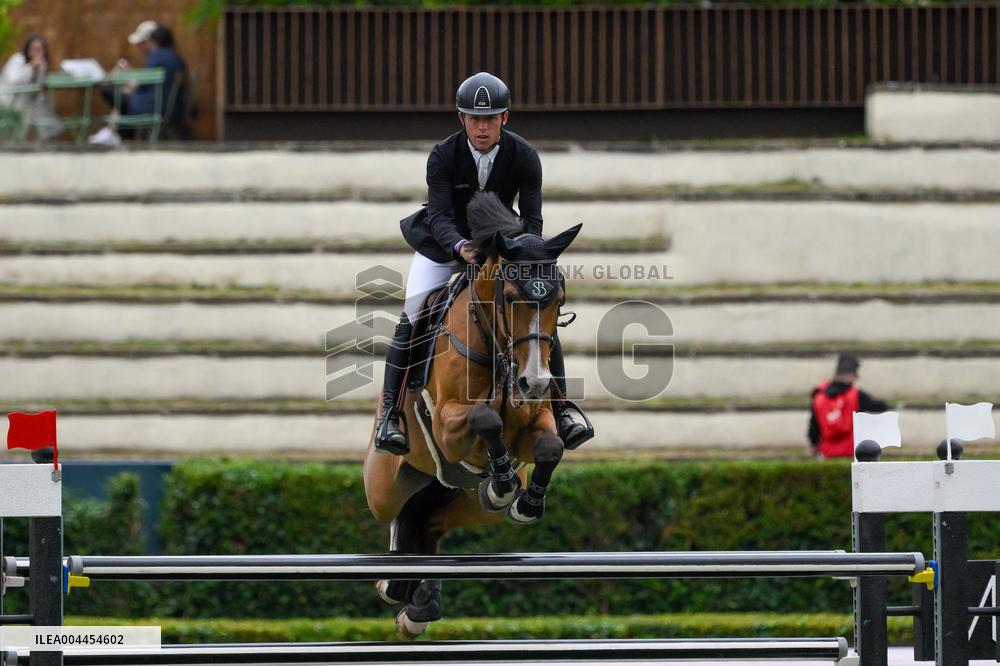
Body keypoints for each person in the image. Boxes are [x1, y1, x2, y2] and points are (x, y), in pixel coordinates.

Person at [374, 71, 594, 456]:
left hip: (503, 247)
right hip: (444, 247)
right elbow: (440, 217)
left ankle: (562, 409)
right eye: (474, 119)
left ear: (504, 118)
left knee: (537, 311)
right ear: (461, 119)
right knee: (412, 313)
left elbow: (534, 220)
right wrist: (462, 248)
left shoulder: (524, 155)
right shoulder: (443, 155)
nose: (481, 127)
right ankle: (390, 415)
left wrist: (524, 256)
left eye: (490, 119)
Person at [89, 21, 189, 145]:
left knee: (108, 90)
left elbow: (142, 84)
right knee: (124, 97)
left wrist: (121, 76)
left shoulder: (157, 57)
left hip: (152, 108)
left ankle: (115, 134)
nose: (140, 47)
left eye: (143, 42)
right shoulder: (176, 57)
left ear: (154, 41)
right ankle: (112, 133)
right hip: (169, 108)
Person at [808, 352, 888, 459]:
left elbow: (814, 426)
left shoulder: (818, 395)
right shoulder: (856, 395)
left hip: (826, 452)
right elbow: (881, 407)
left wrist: (813, 445)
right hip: (851, 452)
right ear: (851, 375)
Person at [0, 33, 63, 141]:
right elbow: (13, 81)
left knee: (43, 102)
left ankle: (48, 137)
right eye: (34, 48)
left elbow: (39, 86)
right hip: (9, 100)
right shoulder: (18, 59)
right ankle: (46, 137)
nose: (37, 52)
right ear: (28, 48)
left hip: (27, 100)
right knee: (35, 106)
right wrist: (31, 66)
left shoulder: (41, 64)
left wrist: (41, 69)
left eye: (40, 49)